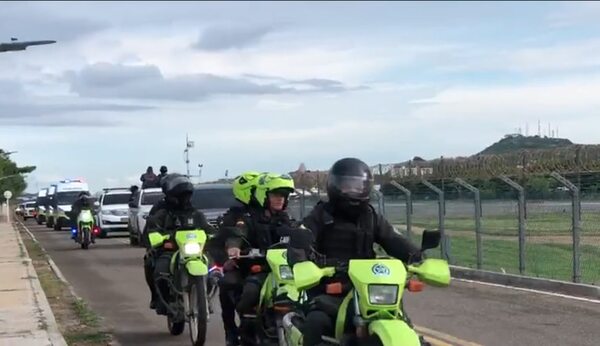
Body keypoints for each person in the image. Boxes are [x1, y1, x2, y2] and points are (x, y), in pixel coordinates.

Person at [286, 158, 424, 346]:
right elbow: (303, 237)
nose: (354, 190)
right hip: (333, 286)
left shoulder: (370, 216)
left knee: (404, 323)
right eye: (348, 185)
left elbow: (392, 239)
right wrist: (301, 260)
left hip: (368, 286)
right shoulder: (320, 215)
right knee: (316, 322)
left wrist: (418, 258)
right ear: (335, 186)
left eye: (359, 185)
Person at [225, 173, 297, 346]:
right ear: (264, 195)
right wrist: (234, 247)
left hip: (286, 272)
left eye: (283, 196)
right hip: (261, 270)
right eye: (275, 195)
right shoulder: (249, 219)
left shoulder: (287, 220)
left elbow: (303, 237)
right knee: (247, 293)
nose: (280, 199)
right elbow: (238, 233)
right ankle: (240, 329)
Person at [142, 173, 216, 313]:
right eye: (181, 195)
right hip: (171, 250)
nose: (184, 199)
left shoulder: (196, 213)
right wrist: (161, 240)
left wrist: (216, 236)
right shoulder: (162, 212)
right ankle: (160, 299)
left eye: (186, 195)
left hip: (195, 251)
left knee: (214, 271)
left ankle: (205, 298)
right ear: (171, 195)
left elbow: (207, 228)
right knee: (159, 270)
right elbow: (150, 231)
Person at [214, 171, 262, 346]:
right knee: (227, 284)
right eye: (257, 189)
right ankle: (231, 330)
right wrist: (231, 250)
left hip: (270, 265)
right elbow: (232, 236)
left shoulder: (272, 212)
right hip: (242, 263)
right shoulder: (235, 215)